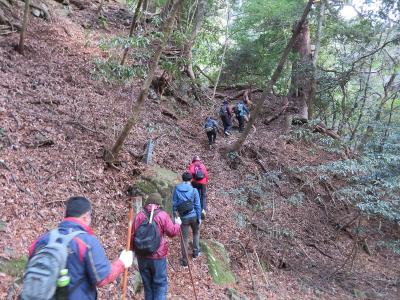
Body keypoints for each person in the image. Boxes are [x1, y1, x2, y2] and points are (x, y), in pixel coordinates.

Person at [25, 196, 133, 300]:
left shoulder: (43, 239)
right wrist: (122, 262)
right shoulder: (86, 242)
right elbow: (102, 278)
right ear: (86, 216)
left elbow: (30, 260)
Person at [131, 193, 181, 300]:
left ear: (147, 203)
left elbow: (132, 235)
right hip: (157, 256)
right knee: (160, 285)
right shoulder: (162, 215)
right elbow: (171, 232)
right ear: (159, 204)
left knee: (148, 287)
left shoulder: (139, 215)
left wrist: (132, 252)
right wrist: (178, 224)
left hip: (142, 256)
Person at [172, 172, 202, 266]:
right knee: (196, 233)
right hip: (194, 216)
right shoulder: (194, 190)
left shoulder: (176, 189)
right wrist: (199, 217)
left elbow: (174, 204)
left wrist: (175, 216)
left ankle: (185, 261)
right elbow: (197, 205)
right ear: (191, 180)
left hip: (183, 217)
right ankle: (195, 253)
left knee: (184, 239)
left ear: (182, 179)